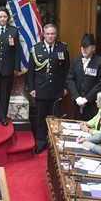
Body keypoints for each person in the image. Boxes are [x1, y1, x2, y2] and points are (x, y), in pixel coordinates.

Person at [27, 23, 69, 154]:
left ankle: (53, 142)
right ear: (43, 35)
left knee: (54, 118)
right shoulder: (36, 49)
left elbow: (67, 70)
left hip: (56, 89)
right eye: (48, 34)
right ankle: (40, 142)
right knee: (41, 118)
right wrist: (32, 88)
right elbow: (31, 72)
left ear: (56, 34)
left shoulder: (62, 48)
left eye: (53, 34)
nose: (50, 36)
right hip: (41, 89)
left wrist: (66, 87)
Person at [66, 33, 101, 121]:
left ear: (93, 48)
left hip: (92, 103)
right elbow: (70, 79)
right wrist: (77, 97)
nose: (84, 49)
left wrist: (86, 99)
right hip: (77, 102)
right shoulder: (76, 60)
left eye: (87, 47)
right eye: (82, 47)